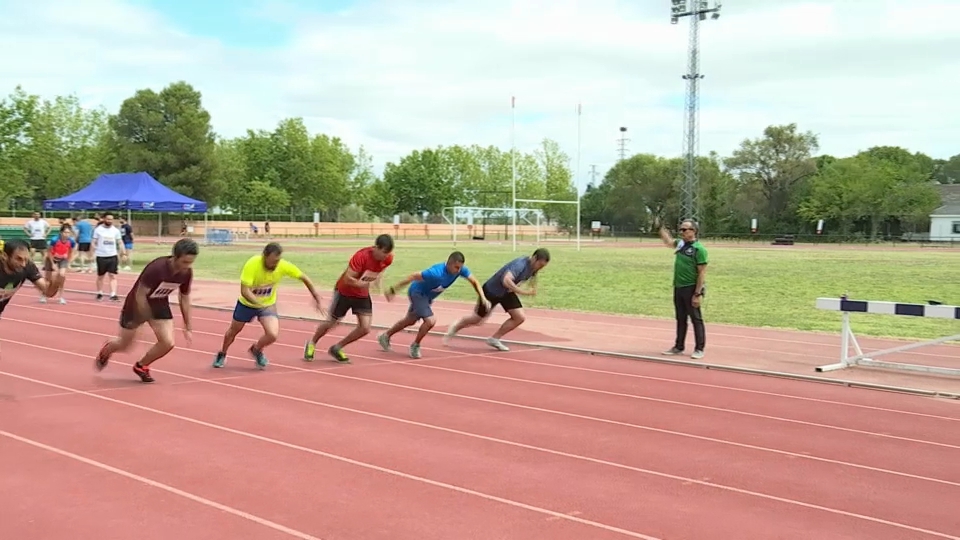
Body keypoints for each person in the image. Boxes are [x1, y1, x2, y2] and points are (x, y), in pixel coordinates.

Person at [94, 238, 199, 383]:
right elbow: (140, 295)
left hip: (159, 304)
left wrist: (187, 324)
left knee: (168, 343)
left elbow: (184, 296)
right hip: (135, 305)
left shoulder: (186, 273)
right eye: (184, 262)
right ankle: (107, 349)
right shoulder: (157, 268)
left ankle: (141, 366)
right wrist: (143, 318)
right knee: (125, 345)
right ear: (175, 257)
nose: (187, 266)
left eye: (190, 262)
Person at [213, 242, 324, 369]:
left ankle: (256, 349)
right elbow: (244, 291)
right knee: (233, 331)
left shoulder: (282, 265)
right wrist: (257, 302)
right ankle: (222, 353)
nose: (275, 264)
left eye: (278, 261)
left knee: (272, 334)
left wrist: (315, 295)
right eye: (273, 261)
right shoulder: (252, 264)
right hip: (246, 304)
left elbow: (303, 277)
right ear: (264, 256)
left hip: (267, 305)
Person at [378, 251, 489, 359]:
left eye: (460, 267)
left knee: (410, 320)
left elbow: (474, 281)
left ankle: (385, 336)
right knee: (430, 321)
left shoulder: (460, 270)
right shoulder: (435, 273)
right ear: (449, 263)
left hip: (427, 297)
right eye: (456, 267)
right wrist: (394, 290)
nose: (459, 270)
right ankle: (415, 345)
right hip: (417, 293)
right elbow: (413, 276)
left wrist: (483, 298)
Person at [303, 234, 394, 363]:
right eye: (384, 252)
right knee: (331, 323)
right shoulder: (361, 257)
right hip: (344, 291)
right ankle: (312, 343)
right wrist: (361, 284)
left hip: (361, 294)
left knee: (365, 328)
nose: (386, 256)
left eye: (388, 253)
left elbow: (381, 270)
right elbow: (347, 279)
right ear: (376, 248)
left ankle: (337, 348)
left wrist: (377, 282)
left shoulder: (388, 258)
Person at [444, 248, 550, 351]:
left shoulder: (533, 267)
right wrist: (522, 292)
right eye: (540, 265)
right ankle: (456, 326)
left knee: (519, 317)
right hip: (491, 291)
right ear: (534, 258)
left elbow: (529, 277)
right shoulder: (520, 264)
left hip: (506, 292)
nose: (540, 268)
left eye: (543, 266)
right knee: (477, 320)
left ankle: (494, 339)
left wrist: (531, 287)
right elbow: (506, 280)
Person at [0, 240, 61, 358]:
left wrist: (56, 282)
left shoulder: (27, 267)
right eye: (18, 259)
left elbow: (48, 292)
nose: (23, 264)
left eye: (25, 259)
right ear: (4, 256)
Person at [659, 220, 708, 359]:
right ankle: (678, 346)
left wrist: (697, 293)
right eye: (681, 229)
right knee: (680, 318)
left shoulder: (699, 249)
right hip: (678, 286)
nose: (682, 232)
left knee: (696, 319)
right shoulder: (680, 244)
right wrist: (661, 229)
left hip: (691, 287)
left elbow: (702, 273)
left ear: (694, 231)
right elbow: (668, 242)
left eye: (685, 229)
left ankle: (699, 348)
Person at [92, 213, 126, 301]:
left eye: (111, 219)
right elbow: (93, 241)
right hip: (101, 256)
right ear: (104, 219)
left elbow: (120, 242)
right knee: (101, 276)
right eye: (108, 219)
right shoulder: (98, 230)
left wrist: (123, 253)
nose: (110, 221)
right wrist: (94, 250)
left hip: (112, 255)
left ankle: (113, 294)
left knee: (112, 275)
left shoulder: (115, 231)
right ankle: (100, 292)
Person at [41, 224, 75, 305]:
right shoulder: (54, 240)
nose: (67, 234)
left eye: (68, 233)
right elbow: (49, 252)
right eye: (65, 232)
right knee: (48, 279)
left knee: (62, 276)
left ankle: (61, 297)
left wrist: (68, 262)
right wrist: (53, 264)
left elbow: (71, 252)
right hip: (51, 259)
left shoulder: (71, 241)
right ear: (61, 232)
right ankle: (44, 295)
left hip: (63, 260)